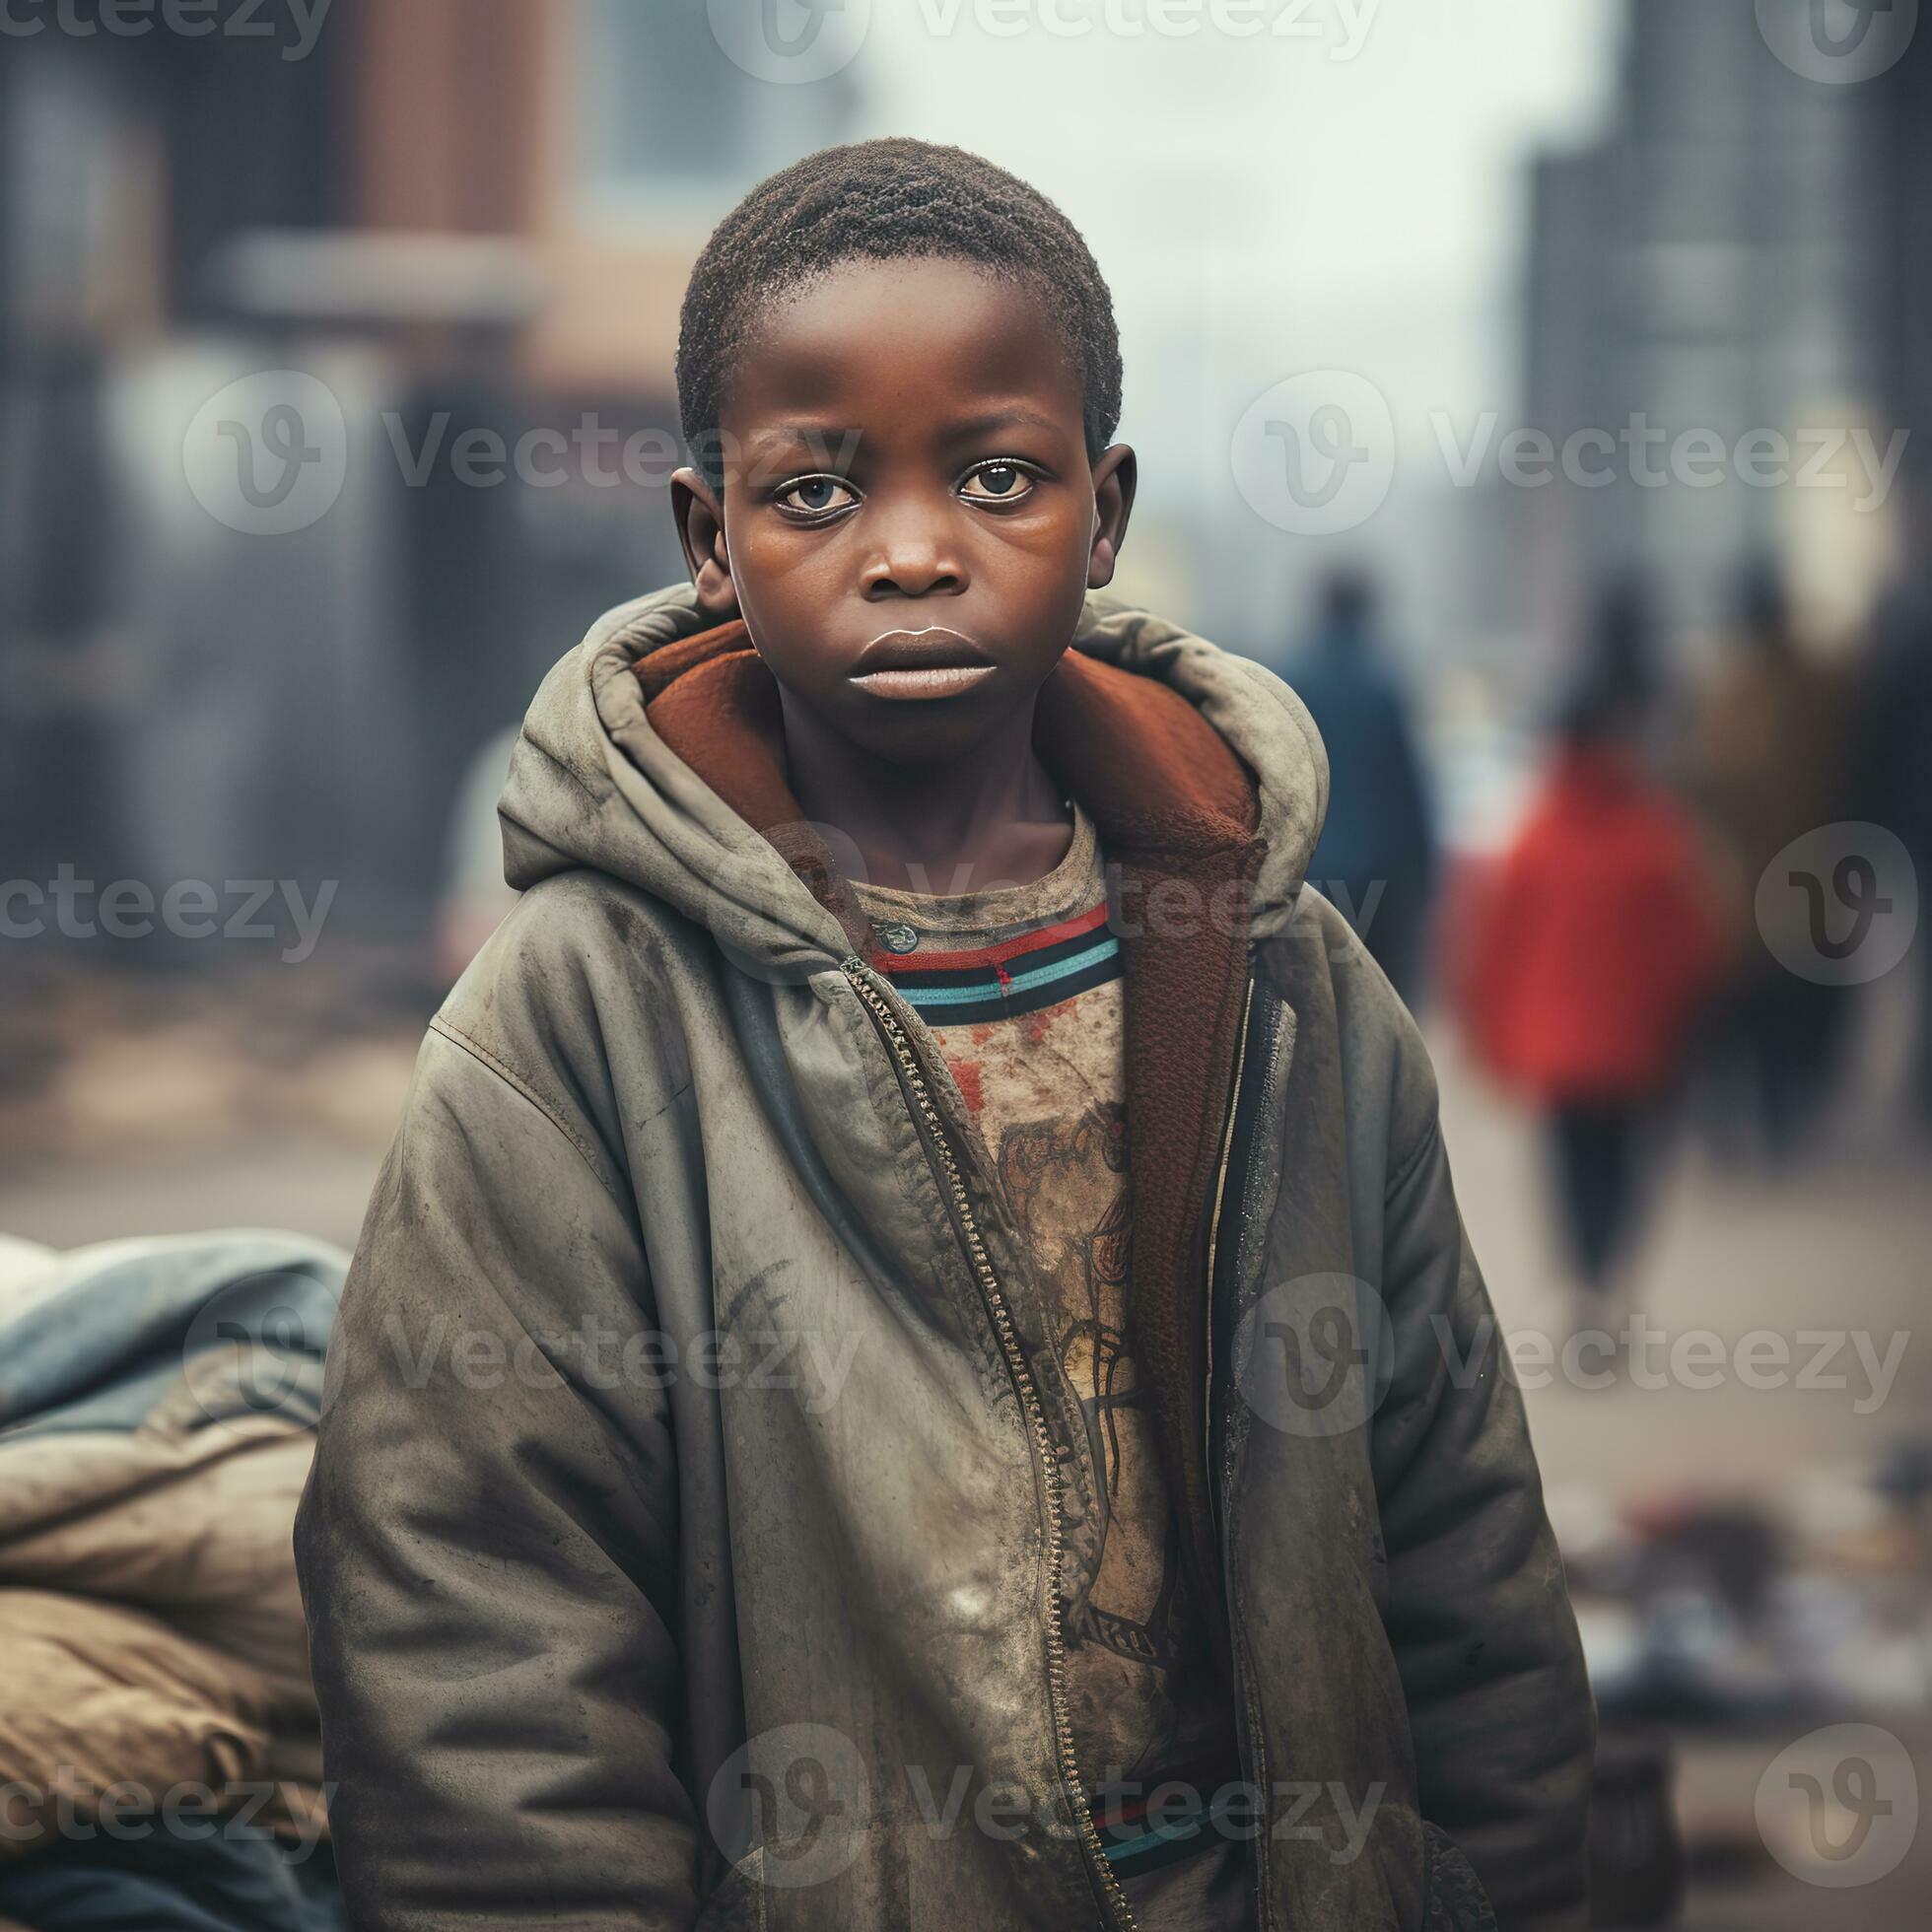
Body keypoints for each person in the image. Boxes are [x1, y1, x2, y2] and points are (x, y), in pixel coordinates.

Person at [295, 139, 1593, 1931]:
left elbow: (1462, 1558)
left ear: (1106, 509)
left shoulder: (1286, 985)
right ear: (708, 539)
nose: (911, 553)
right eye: (816, 493)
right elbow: (477, 1651)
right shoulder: (578, 1028)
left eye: (996, 476)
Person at [1469, 664, 1722, 1299]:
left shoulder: (1529, 838)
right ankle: (1610, 1279)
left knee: (1570, 1173)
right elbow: (1692, 948)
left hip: (1557, 1050)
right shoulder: (1656, 835)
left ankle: (1585, 1280)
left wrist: (1493, 1037)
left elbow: (1491, 951)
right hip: (1640, 1050)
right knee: (1626, 1170)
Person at [1289, 571, 1436, 1002]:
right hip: (1381, 875)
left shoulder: (1293, 679)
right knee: (1375, 1003)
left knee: (1316, 1002)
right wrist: (1424, 873)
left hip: (1310, 875)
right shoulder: (1382, 687)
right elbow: (1406, 787)